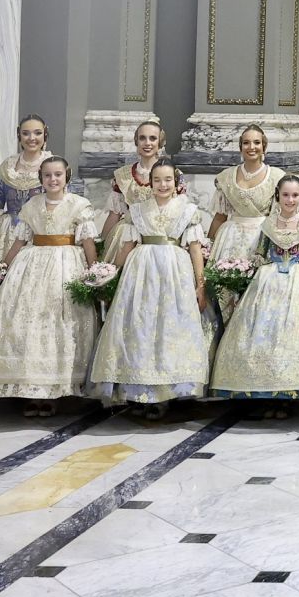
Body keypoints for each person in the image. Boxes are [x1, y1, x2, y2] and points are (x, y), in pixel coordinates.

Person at [0, 155, 101, 416]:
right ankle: (31, 388)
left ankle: (54, 391)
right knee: (29, 324)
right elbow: (19, 241)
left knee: (57, 324)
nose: (53, 179)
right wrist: (1, 270)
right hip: (32, 265)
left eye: (58, 175)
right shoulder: (32, 205)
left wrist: (93, 271)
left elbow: (87, 242)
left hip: (65, 266)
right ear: (41, 179)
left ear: (66, 177)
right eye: (47, 175)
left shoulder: (79, 205)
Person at [88, 161, 211, 417]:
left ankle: (165, 393)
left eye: (168, 180)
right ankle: (138, 391)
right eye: (157, 180)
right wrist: (110, 274)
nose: (162, 185)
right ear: (150, 183)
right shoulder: (138, 210)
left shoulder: (188, 211)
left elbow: (195, 249)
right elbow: (127, 247)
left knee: (169, 328)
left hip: (174, 274)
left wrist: (200, 285)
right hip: (141, 274)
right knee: (140, 328)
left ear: (176, 183)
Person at [210, 176, 299, 413]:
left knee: (293, 335)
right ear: (277, 196)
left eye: (295, 195)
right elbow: (260, 254)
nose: (290, 200)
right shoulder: (268, 224)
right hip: (267, 281)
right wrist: (242, 276)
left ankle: (288, 393)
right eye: (285, 195)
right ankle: (262, 392)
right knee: (261, 332)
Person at [204, 124, 285, 271]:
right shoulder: (226, 177)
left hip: (262, 238)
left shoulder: (277, 177)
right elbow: (220, 217)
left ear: (264, 146)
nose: (251, 147)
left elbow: (281, 218)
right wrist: (208, 247)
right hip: (230, 239)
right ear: (240, 147)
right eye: (246, 143)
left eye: (257, 142)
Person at [97, 119, 175, 252]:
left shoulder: (172, 175)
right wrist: (101, 245)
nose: (147, 143)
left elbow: (178, 211)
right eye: (142, 138)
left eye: (153, 138)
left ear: (160, 142)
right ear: (136, 141)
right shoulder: (123, 176)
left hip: (159, 236)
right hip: (128, 236)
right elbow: (115, 214)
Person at [0, 115, 53, 243]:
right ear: (19, 135)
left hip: (40, 231)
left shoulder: (54, 166)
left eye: (37, 133)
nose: (31, 138)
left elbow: (64, 205)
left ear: (45, 135)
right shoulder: (7, 167)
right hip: (8, 234)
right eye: (26, 133)